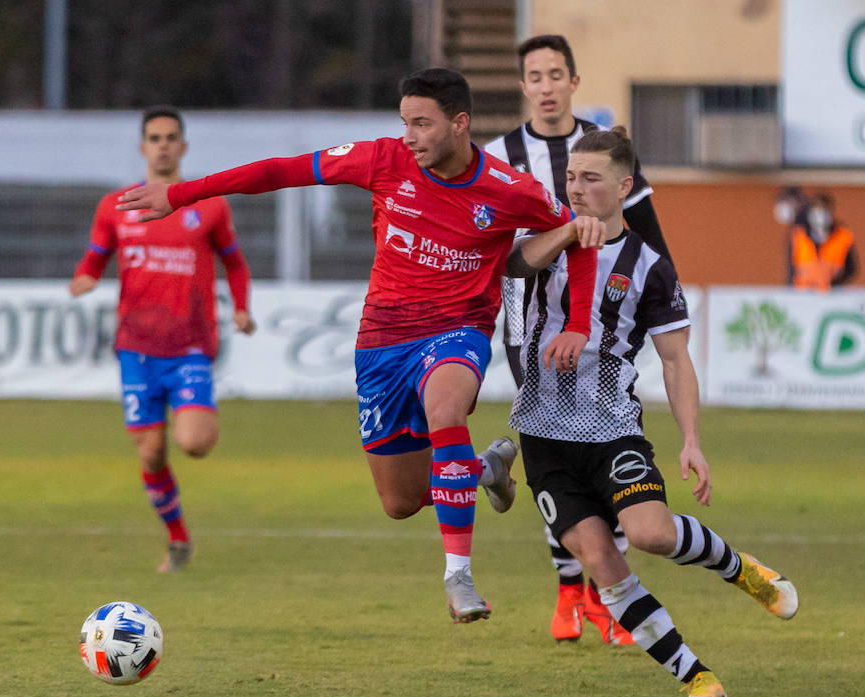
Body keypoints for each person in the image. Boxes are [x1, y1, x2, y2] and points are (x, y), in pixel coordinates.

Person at [118, 69, 606, 621]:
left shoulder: (508, 188)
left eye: (421, 124)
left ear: (459, 123)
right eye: (405, 123)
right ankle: (483, 470)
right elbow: (281, 171)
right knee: (399, 503)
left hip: (457, 329)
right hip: (381, 341)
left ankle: (459, 577)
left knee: (445, 406)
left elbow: (580, 233)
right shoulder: (381, 159)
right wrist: (181, 194)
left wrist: (579, 324)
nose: (410, 136)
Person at [504, 126, 798, 697]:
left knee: (652, 535)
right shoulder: (542, 236)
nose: (578, 188)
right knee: (601, 562)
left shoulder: (649, 265)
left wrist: (691, 439)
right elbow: (515, 265)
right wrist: (567, 230)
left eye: (591, 179)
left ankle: (742, 569)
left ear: (623, 186)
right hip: (541, 435)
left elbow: (674, 359)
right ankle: (697, 677)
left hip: (611, 428)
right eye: (571, 178)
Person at [484, 34, 674, 646]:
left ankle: (602, 589)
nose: (544, 86)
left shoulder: (604, 149)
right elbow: (491, 242)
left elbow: (645, 234)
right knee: (554, 440)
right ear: (523, 86)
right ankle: (572, 590)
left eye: (554, 74)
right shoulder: (500, 153)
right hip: (528, 320)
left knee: (602, 436)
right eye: (533, 76)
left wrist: (656, 303)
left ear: (573, 81)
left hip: (604, 319)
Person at [70, 106, 257, 574]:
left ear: (183, 147)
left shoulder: (208, 204)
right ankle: (178, 541)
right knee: (151, 452)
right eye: (155, 137)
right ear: (143, 147)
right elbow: (94, 258)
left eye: (172, 137)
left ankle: (194, 417)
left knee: (194, 442)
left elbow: (234, 262)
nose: (164, 144)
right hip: (136, 347)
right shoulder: (115, 206)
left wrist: (241, 307)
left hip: (190, 344)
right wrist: (84, 279)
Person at [788, 191, 857, 291]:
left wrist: (835, 284)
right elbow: (792, 269)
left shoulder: (843, 236)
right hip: (803, 295)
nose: (820, 216)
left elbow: (851, 269)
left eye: (824, 211)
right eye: (817, 211)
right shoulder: (799, 236)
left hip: (831, 295)